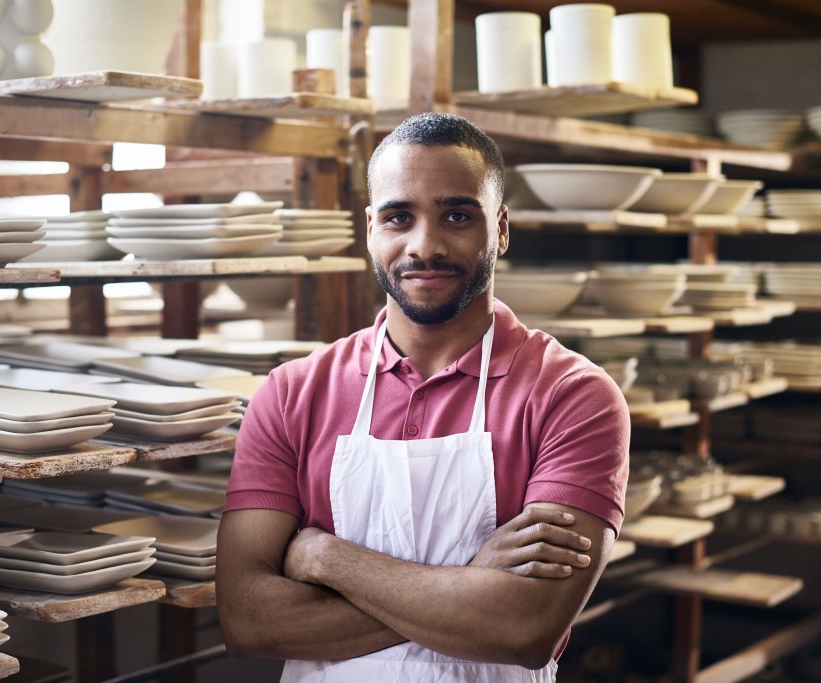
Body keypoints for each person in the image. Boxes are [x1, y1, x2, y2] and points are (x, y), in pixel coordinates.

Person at [216, 112, 630, 682]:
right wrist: (469, 583)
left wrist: (325, 558)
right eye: (398, 217)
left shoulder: (573, 396)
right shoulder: (293, 392)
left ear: (501, 229)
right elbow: (248, 622)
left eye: (457, 215)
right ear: (369, 229)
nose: (425, 245)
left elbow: (523, 630)